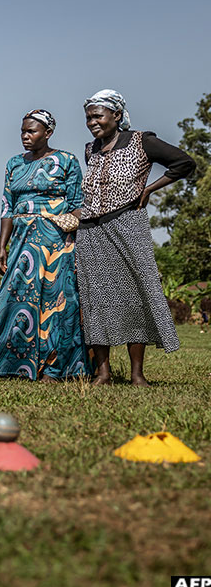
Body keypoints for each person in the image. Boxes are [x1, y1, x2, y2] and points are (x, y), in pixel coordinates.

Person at [77, 90, 195, 385]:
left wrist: (149, 189)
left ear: (116, 115)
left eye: (98, 116)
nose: (92, 122)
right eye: (89, 117)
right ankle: (102, 372)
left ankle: (137, 373)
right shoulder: (91, 149)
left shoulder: (142, 141)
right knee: (95, 299)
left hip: (128, 224)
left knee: (136, 295)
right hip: (91, 230)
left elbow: (184, 163)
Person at [0, 110, 91, 382]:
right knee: (11, 301)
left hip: (56, 241)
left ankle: (54, 370)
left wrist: (63, 225)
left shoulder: (66, 161)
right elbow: (6, 207)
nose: (25, 136)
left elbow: (78, 205)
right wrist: (2, 246)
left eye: (31, 131)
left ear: (48, 133)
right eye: (23, 131)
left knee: (56, 304)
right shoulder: (14, 164)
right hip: (22, 241)